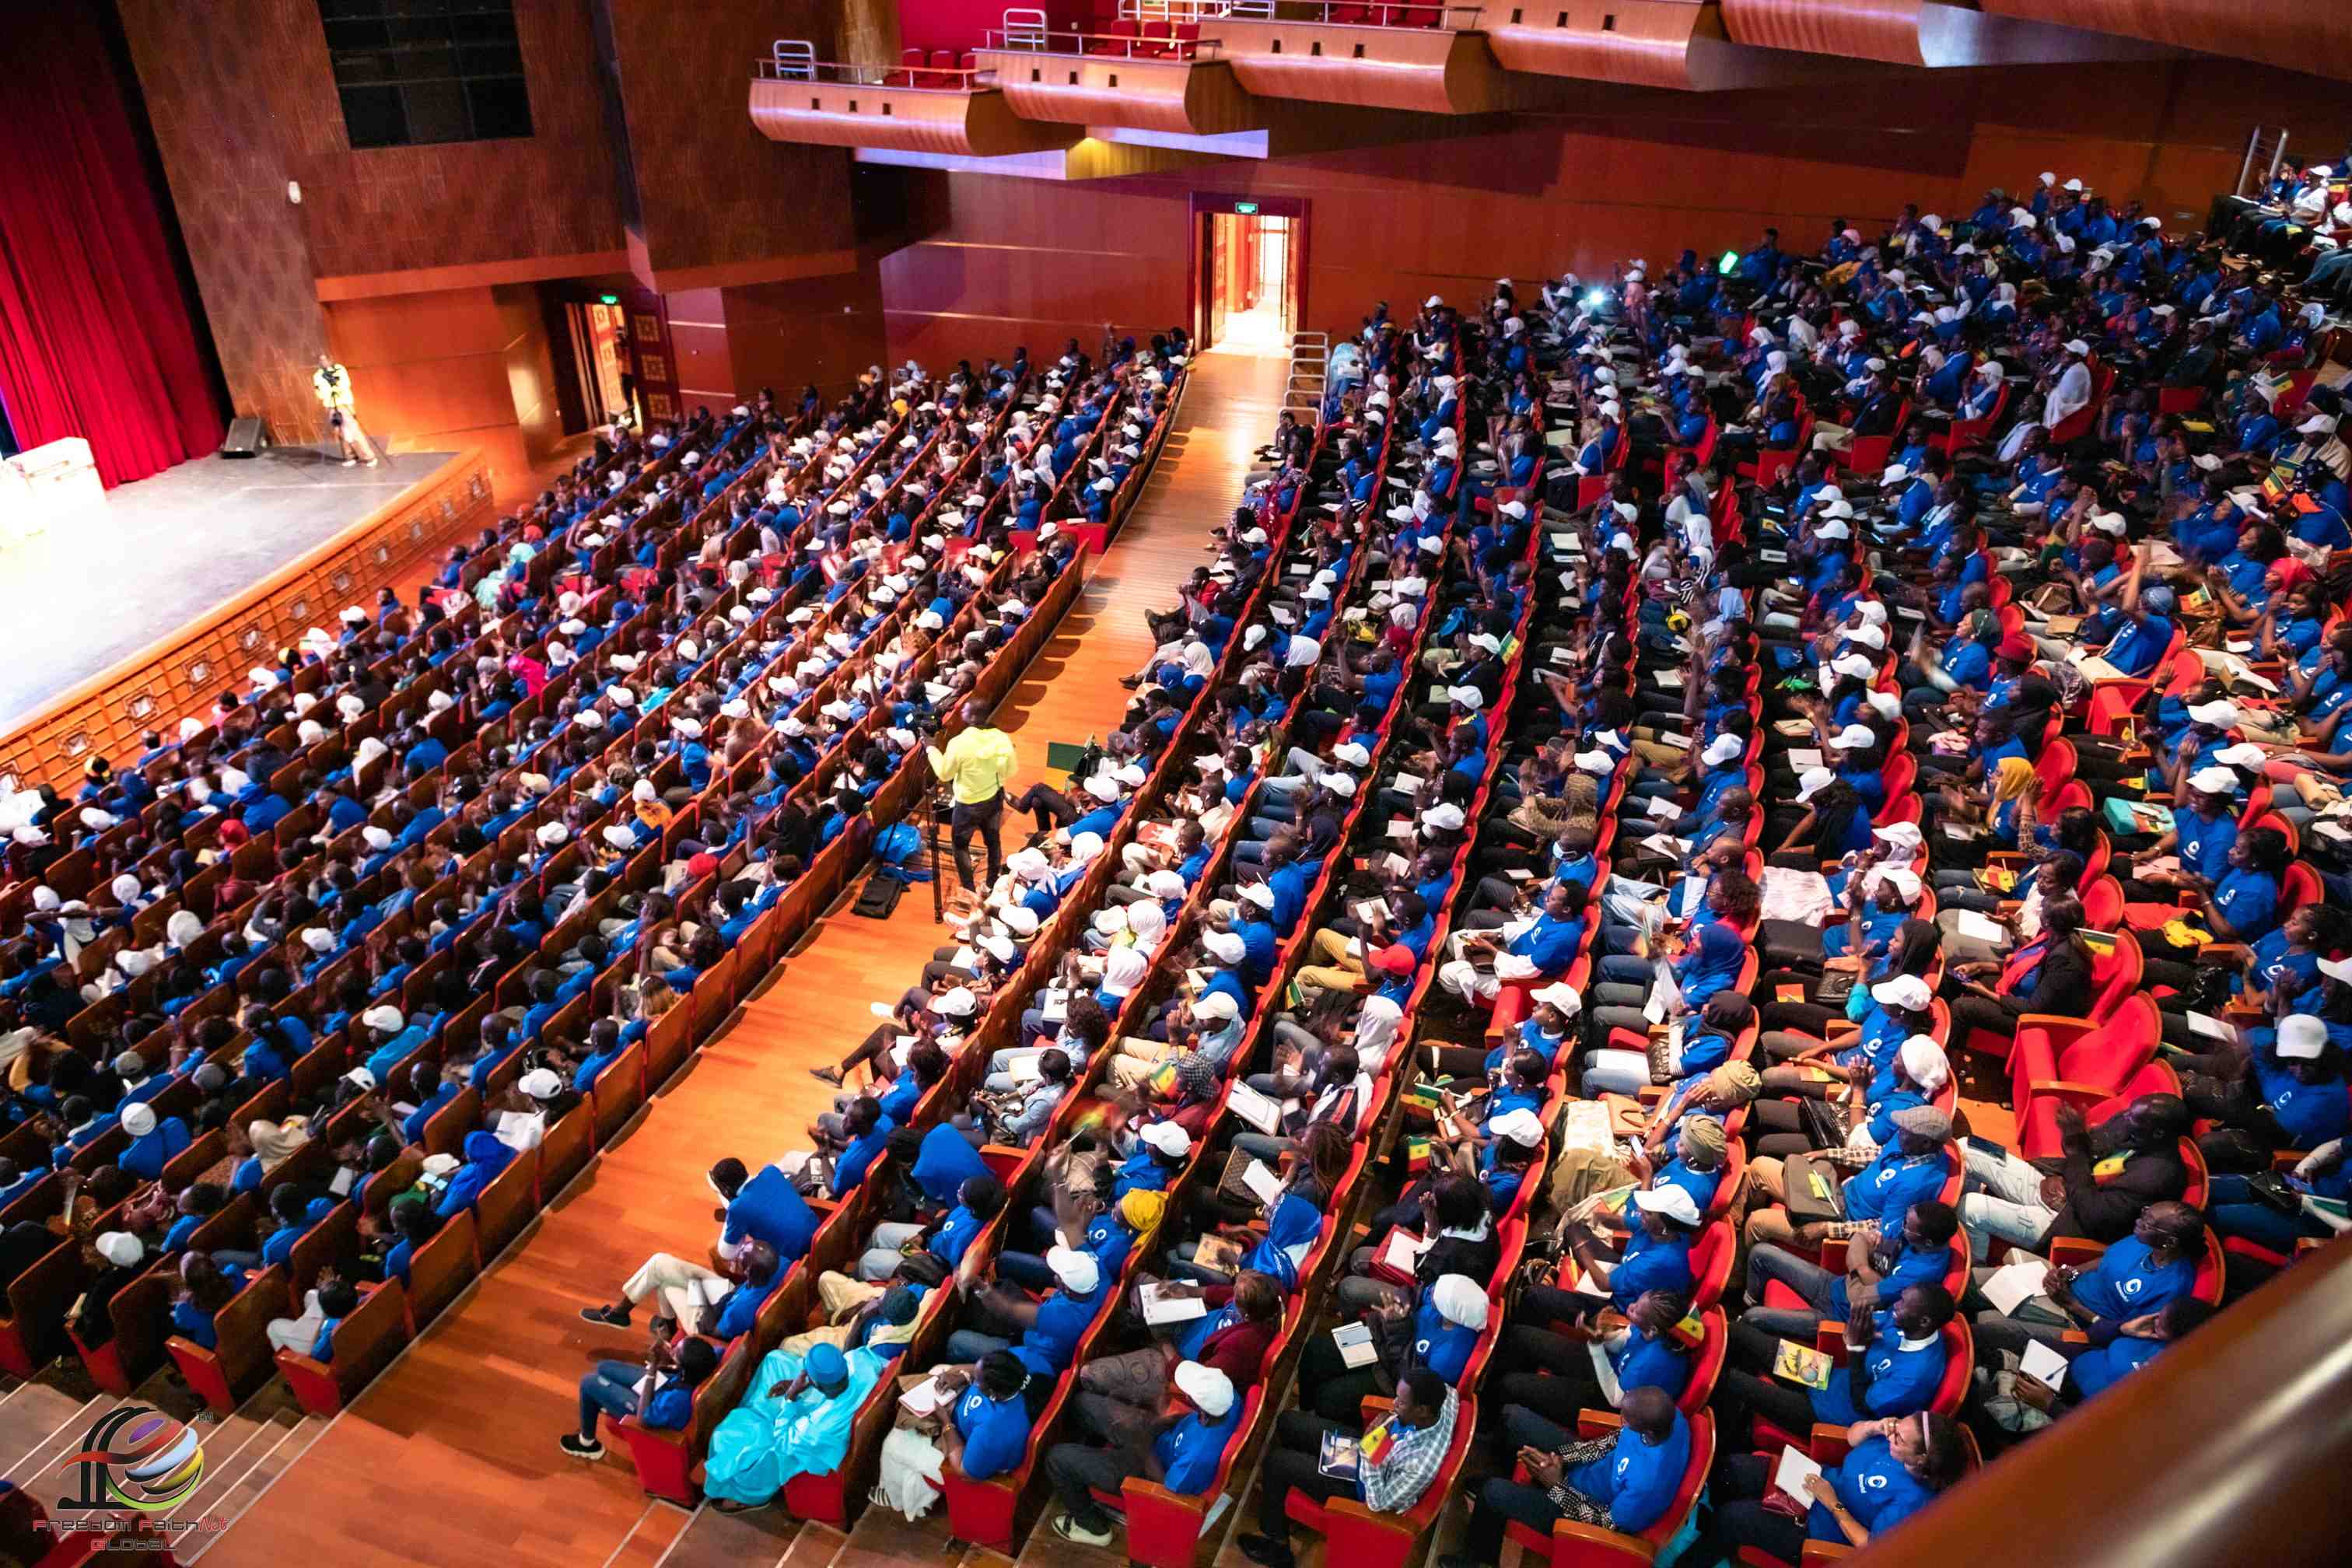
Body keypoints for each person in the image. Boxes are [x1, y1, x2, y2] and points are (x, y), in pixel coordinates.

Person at [1237, 1367, 1461, 1568]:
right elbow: (1452, 1391)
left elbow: (1377, 1502)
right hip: (1376, 1446)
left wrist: (1368, 1452)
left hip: (1363, 1488)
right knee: (1288, 1421)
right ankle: (1282, 1492)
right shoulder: (1444, 1396)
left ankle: (1278, 1547)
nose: (1394, 1404)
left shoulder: (1420, 1466)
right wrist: (1376, 1435)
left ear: (1422, 1410)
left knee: (1277, 1462)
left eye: (1401, 1402)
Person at [1446, 1385, 1690, 1568]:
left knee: (1492, 1492)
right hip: (1584, 1471)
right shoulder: (1670, 1416)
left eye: (1626, 1418)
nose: (1621, 1419)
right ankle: (1516, 1487)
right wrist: (1564, 1458)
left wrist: (1556, 1484)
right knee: (1513, 1417)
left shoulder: (1648, 1484)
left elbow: (1608, 1524)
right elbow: (1612, 1441)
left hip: (1581, 1510)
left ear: (1646, 1430)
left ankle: (1474, 1559)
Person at [1711, 1409, 1969, 1560]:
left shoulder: (1913, 1502)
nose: (1893, 1432)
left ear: (1921, 1459)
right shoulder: (1894, 1440)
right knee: (1731, 1468)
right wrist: (1874, 1427)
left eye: (1899, 1436)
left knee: (1732, 1517)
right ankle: (1707, 1519)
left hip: (1820, 1527)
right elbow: (1851, 1436)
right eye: (1898, 1424)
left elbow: (1870, 1546)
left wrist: (1832, 1502)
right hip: (1816, 1478)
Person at [1045, 1359, 1243, 1546]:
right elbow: (1190, 1420)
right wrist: (1158, 1422)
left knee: (1056, 1458)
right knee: (1082, 1403)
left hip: (1144, 1469)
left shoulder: (1197, 1459)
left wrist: (1143, 1447)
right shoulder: (1229, 1398)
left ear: (1199, 1407)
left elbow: (1167, 1488)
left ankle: (1091, 1526)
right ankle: (1089, 1462)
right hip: (1156, 1438)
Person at [704, 1340, 885, 1513]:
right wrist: (804, 1387)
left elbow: (783, 1440)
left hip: (808, 1441)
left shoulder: (811, 1430)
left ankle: (747, 1495)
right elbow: (877, 1363)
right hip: (831, 1401)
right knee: (775, 1360)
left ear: (815, 1382)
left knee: (725, 1437)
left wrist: (791, 1396)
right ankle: (754, 1411)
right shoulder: (860, 1361)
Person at [562, 1332, 717, 1459]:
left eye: (676, 1352)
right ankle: (606, 1400)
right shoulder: (704, 1366)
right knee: (604, 1367)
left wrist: (653, 1370)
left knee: (588, 1382)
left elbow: (643, 1418)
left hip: (651, 1411)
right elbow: (718, 1350)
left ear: (683, 1368)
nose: (673, 1348)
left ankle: (587, 1443)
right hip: (665, 1386)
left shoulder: (677, 1401)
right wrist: (667, 1363)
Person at [926, 700, 1020, 889]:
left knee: (960, 846)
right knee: (993, 842)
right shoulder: (1002, 738)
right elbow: (1010, 771)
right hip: (993, 799)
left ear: (973, 717)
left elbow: (945, 774)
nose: (961, 713)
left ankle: (969, 889)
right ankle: (992, 884)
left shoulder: (959, 743)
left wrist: (931, 749)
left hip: (967, 805)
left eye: (964, 711)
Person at [312, 351, 380, 467]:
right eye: (321, 360)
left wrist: (334, 387)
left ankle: (369, 457)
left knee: (353, 430)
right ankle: (350, 457)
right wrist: (328, 391)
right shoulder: (318, 375)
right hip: (330, 405)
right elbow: (319, 391)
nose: (323, 362)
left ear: (330, 359)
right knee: (340, 431)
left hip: (344, 404)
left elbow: (345, 385)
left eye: (325, 359)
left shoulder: (339, 369)